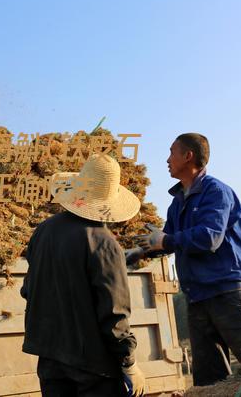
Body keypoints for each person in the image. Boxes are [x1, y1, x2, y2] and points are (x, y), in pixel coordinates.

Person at [138, 133, 241, 386]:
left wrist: (164, 241)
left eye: (172, 152)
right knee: (210, 383)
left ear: (188, 156)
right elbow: (168, 240)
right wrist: (140, 249)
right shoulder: (177, 203)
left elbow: (209, 238)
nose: (167, 159)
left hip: (228, 294)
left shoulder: (216, 192)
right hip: (197, 298)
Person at [21, 153, 147, 397]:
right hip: (93, 368)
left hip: (50, 361)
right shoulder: (104, 244)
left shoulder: (43, 231)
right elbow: (114, 315)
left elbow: (28, 290)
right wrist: (129, 363)